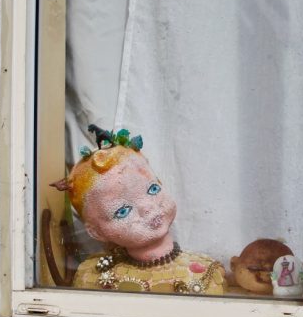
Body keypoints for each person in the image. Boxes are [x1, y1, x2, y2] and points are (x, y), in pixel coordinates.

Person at [52, 126, 226, 294]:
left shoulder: (206, 273)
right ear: (96, 231)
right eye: (122, 211)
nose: (147, 207)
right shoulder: (92, 277)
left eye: (153, 189)